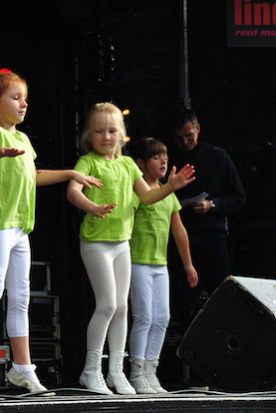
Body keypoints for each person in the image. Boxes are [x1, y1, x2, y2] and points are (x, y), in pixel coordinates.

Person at [0, 64, 102, 395]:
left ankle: (22, 368)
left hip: (21, 228)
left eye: (26, 99)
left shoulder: (22, 138)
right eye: (16, 97)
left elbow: (33, 176)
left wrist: (70, 174)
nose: (24, 104)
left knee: (21, 297)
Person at [66, 102, 195, 395]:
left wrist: (171, 186)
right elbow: (73, 191)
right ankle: (91, 370)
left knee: (122, 308)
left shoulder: (126, 165)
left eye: (112, 131)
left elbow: (148, 197)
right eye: (99, 131)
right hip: (96, 243)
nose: (106, 136)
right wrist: (92, 206)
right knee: (108, 304)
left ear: (122, 135)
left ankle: (115, 371)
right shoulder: (88, 162)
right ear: (89, 134)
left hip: (121, 244)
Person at [126, 137, 198, 394]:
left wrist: (188, 264)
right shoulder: (139, 192)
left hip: (160, 265)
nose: (163, 161)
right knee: (144, 317)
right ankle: (136, 372)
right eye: (156, 157)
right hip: (138, 262)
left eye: (165, 156)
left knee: (163, 318)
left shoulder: (168, 195)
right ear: (141, 163)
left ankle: (150, 370)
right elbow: (126, 219)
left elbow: (180, 232)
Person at [165, 108, 246, 329]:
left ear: (198, 129)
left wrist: (213, 205)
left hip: (213, 235)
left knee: (221, 295)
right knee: (185, 301)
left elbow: (239, 198)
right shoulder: (169, 159)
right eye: (179, 138)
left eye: (189, 136)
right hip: (181, 237)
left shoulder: (217, 156)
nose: (185, 141)